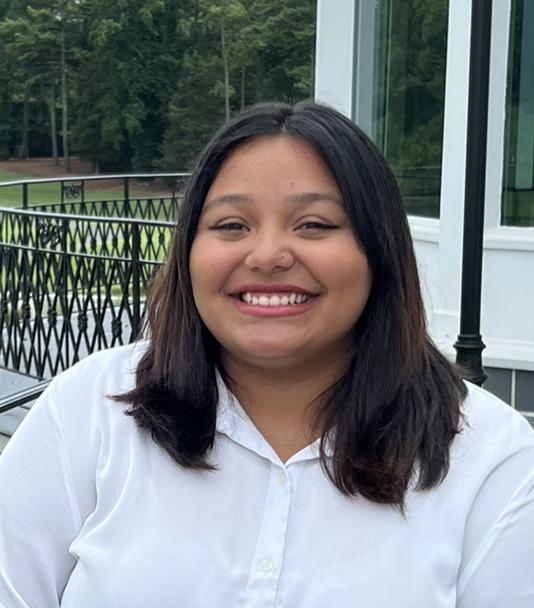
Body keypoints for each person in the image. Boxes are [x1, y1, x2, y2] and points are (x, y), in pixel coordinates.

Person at [0, 101, 533, 608]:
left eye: (314, 225)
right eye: (231, 226)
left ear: (379, 250)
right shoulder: (90, 410)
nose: (268, 255)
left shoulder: (493, 461)